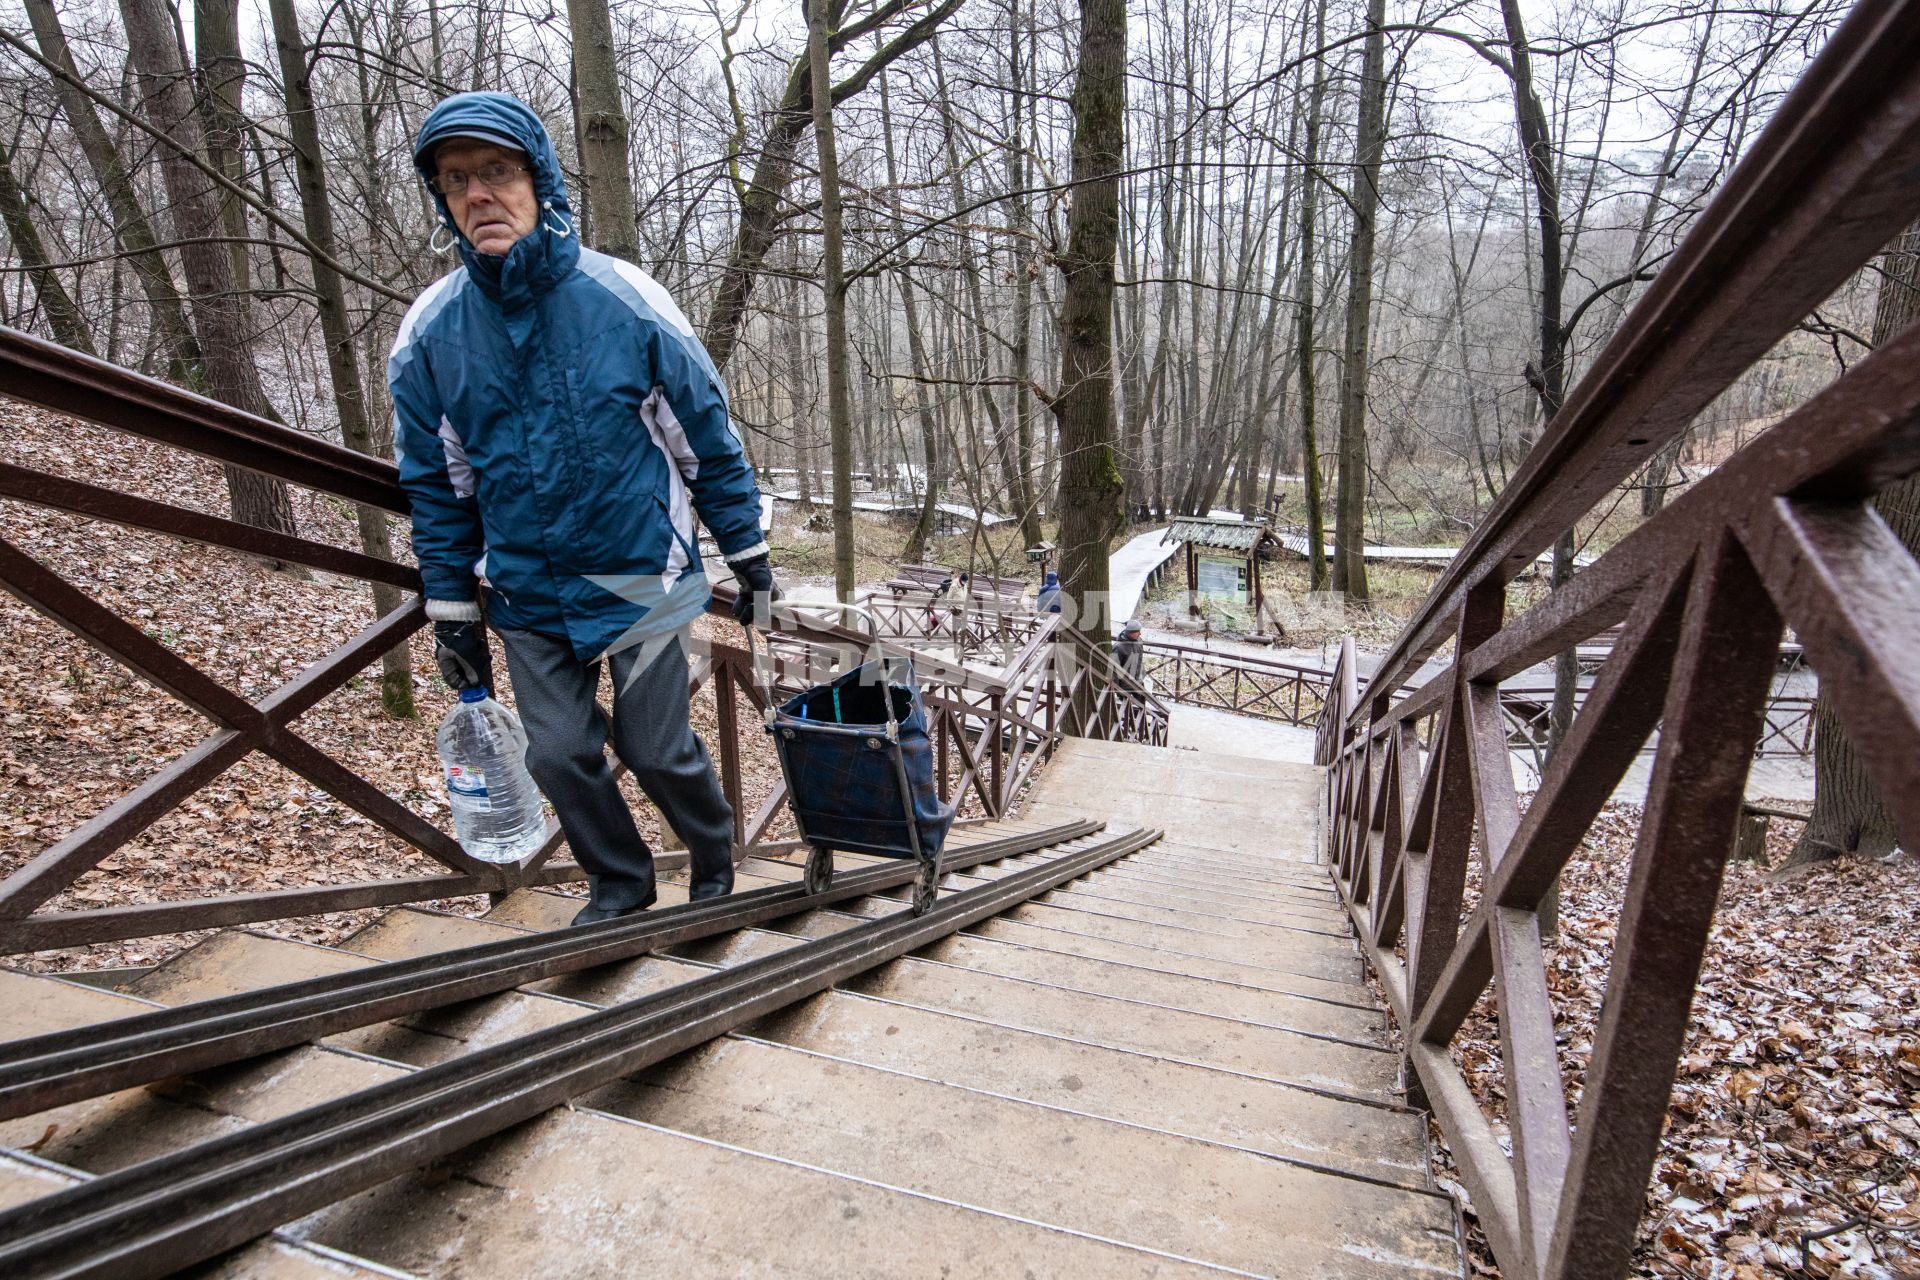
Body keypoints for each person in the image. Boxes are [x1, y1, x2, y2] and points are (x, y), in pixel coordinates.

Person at [390, 92, 779, 925]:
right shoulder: (431, 333)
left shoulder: (624, 299)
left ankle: (712, 854)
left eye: (497, 172)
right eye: (457, 180)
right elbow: (438, 488)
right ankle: (621, 882)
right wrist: (452, 607)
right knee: (559, 754)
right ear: (443, 201)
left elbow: (704, 441)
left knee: (655, 747)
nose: (479, 195)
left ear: (540, 181)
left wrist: (749, 557)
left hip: (639, 573)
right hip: (528, 587)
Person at [1113, 619, 1146, 695]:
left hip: (1138, 682)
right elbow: (1114, 669)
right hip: (1125, 686)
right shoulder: (1119, 647)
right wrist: (1117, 689)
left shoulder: (1139, 641)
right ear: (1130, 633)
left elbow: (1140, 659)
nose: (1140, 634)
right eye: (1137, 632)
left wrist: (1142, 674)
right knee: (1126, 706)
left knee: (1140, 704)